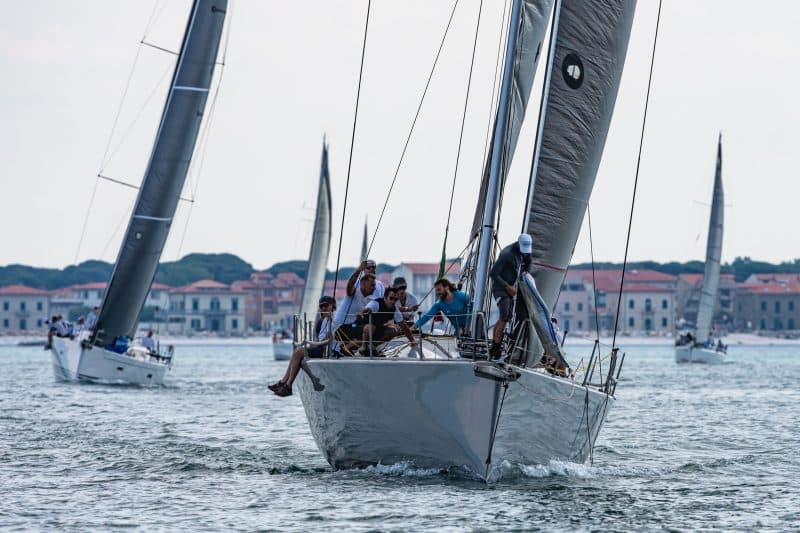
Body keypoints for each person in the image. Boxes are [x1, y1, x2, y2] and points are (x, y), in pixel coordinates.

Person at [270, 296, 339, 397]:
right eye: (321, 306)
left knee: (298, 352)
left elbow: (326, 341)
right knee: (297, 352)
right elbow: (320, 340)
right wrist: (311, 343)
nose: (323, 308)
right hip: (321, 348)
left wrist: (311, 343)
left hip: (328, 350)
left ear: (332, 306)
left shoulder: (335, 319)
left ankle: (287, 385)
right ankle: (284, 383)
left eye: (326, 305)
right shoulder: (323, 321)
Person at [489, 234, 533, 357]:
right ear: (518, 243)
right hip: (500, 288)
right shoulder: (506, 254)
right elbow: (493, 274)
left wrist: (526, 272)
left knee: (509, 316)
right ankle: (496, 348)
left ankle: (497, 344)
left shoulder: (525, 251)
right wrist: (507, 287)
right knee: (504, 314)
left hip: (512, 287)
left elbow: (529, 260)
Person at [356, 286, 416, 354]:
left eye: (395, 299)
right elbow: (367, 309)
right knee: (370, 327)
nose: (393, 301)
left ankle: (371, 348)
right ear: (385, 297)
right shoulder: (376, 303)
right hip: (361, 328)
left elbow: (403, 326)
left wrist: (412, 340)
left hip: (376, 329)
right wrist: (362, 312)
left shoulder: (394, 310)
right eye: (391, 298)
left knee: (394, 331)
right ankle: (363, 348)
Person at [333, 272, 377, 352]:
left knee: (375, 331)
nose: (374, 288)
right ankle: (344, 350)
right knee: (368, 330)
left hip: (353, 328)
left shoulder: (369, 301)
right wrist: (359, 269)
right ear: (363, 284)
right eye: (372, 285)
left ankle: (365, 350)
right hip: (341, 329)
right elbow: (350, 284)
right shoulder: (354, 293)